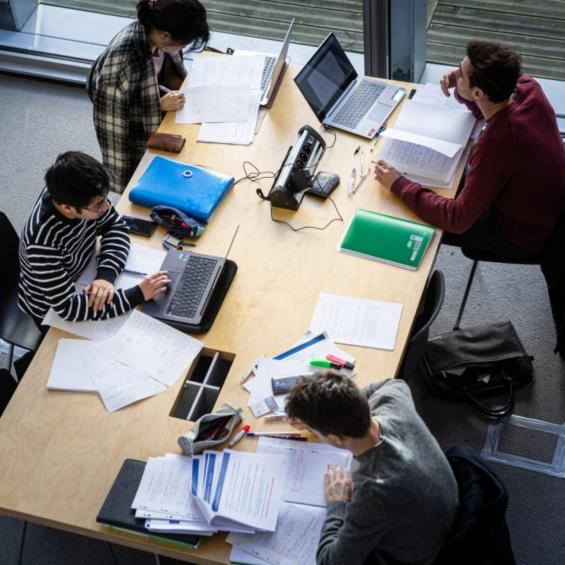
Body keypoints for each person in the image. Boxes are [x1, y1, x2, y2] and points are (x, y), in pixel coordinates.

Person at [374, 40, 565, 258]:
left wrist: (398, 184)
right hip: (545, 203)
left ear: (478, 93)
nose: (455, 73)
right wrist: (462, 89)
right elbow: (490, 110)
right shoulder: (528, 88)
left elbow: (457, 219)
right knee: (437, 185)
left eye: (461, 73)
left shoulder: (497, 143)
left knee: (405, 211)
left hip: (521, 233)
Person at [285, 372, 459, 565]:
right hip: (442, 504)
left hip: (419, 552)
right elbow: (393, 382)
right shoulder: (393, 399)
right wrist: (325, 417)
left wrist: (337, 504)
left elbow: (331, 562)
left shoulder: (373, 491)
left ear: (336, 438)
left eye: (313, 431)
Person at [19, 151, 170, 327]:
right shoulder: (41, 243)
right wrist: (139, 294)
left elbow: (115, 226)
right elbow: (69, 309)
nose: (107, 207)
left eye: (106, 198)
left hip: (84, 272)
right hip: (50, 310)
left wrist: (105, 277)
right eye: (98, 205)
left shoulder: (77, 194)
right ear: (67, 208)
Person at [87, 0, 209, 193]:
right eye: (183, 43)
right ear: (165, 35)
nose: (183, 48)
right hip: (129, 120)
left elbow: (165, 69)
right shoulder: (123, 61)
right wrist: (158, 105)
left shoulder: (154, 32)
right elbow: (111, 125)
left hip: (151, 99)